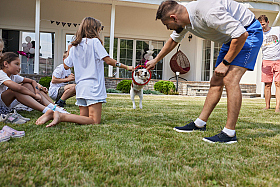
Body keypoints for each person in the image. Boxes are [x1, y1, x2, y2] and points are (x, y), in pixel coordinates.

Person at [146, 0, 263, 143]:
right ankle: (199, 124)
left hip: (248, 32)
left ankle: (229, 133)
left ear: (173, 18)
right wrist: (155, 60)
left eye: (166, 25)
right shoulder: (184, 20)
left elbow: (241, 35)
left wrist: (225, 63)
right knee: (216, 81)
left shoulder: (207, 12)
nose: (167, 28)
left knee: (230, 79)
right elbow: (173, 41)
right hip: (231, 39)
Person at [35, 17, 134, 127]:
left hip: (81, 87)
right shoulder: (95, 42)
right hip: (93, 87)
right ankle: (61, 116)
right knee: (95, 121)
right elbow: (108, 60)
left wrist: (69, 49)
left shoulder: (74, 47)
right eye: (99, 30)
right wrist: (126, 67)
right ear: (94, 29)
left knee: (84, 120)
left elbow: (66, 66)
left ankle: (52, 114)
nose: (99, 33)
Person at [0, 52, 69, 121]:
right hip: (2, 104)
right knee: (15, 90)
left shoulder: (13, 76)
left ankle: (53, 107)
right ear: (6, 64)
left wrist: (37, 93)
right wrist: (34, 95)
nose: (19, 68)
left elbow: (32, 81)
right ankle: (47, 110)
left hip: (9, 104)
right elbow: (18, 88)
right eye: (16, 64)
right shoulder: (1, 73)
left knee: (28, 85)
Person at [257, 15, 280, 112]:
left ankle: (278, 107)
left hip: (278, 60)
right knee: (267, 84)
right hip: (266, 61)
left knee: (278, 83)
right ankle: (267, 106)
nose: (262, 26)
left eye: (263, 24)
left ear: (268, 22)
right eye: (260, 25)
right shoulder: (259, 34)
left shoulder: (277, 30)